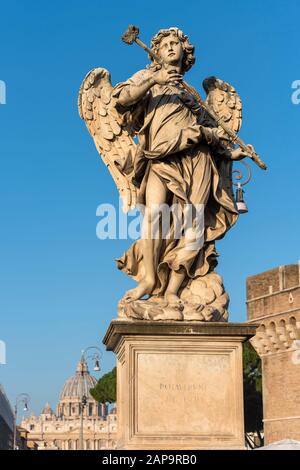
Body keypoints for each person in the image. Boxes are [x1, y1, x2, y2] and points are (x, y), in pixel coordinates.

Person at [113, 28, 246, 312]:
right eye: (166, 44)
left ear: (185, 53)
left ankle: (173, 289)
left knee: (194, 222)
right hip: (159, 159)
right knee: (154, 217)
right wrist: (154, 79)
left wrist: (229, 152)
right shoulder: (147, 79)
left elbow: (211, 132)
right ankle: (149, 280)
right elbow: (122, 100)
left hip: (196, 160)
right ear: (157, 52)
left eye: (177, 44)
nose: (172, 48)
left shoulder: (191, 93)